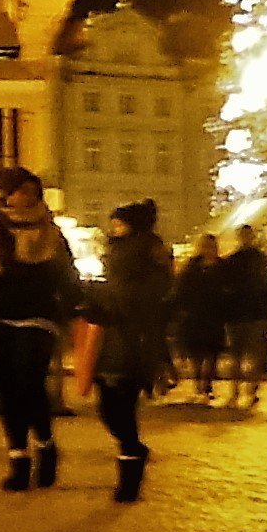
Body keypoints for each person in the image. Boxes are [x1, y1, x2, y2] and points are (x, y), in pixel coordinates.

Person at [0, 166, 79, 492]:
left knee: (30, 383)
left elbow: (65, 275)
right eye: (19, 190)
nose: (25, 197)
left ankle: (44, 443)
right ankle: (18, 458)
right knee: (7, 389)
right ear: (7, 193)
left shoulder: (51, 233)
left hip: (36, 315)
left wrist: (73, 307)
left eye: (31, 191)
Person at [86, 200, 172, 503]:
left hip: (136, 338)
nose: (114, 227)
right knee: (109, 406)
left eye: (119, 222)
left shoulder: (148, 253)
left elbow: (152, 296)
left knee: (121, 403)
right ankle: (132, 451)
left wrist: (113, 309)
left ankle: (130, 471)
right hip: (114, 335)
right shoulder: (120, 253)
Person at [221, 223, 267, 409]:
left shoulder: (231, 261)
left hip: (238, 313)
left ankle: (236, 392)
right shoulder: (261, 260)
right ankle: (250, 391)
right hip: (254, 313)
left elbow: (225, 289)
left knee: (237, 355)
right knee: (253, 355)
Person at [170, 233, 227, 402]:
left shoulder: (221, 267)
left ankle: (207, 385)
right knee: (196, 354)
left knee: (211, 353)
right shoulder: (192, 267)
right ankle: (198, 384)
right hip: (194, 317)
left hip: (214, 317)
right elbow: (180, 290)